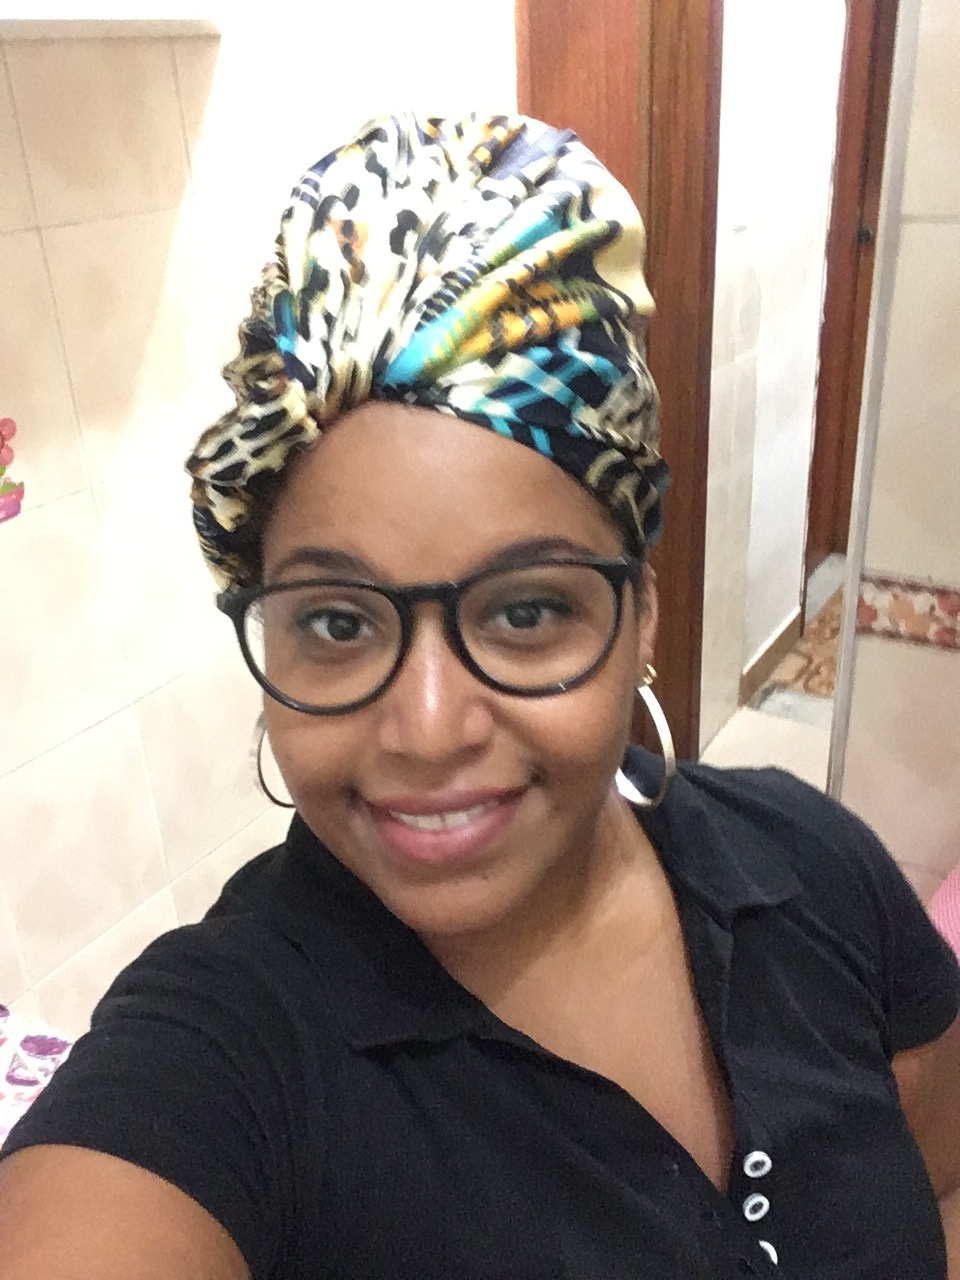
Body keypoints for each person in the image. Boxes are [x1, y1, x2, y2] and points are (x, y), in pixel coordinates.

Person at [0, 113, 958, 1280]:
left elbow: (936, 1173)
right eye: (339, 623)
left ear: (641, 616)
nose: (428, 727)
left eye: (526, 610)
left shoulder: (812, 861)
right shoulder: (226, 1046)